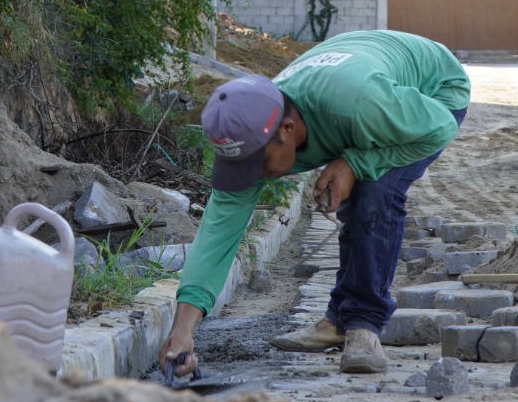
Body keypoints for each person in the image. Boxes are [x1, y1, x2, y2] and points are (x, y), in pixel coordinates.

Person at [158, 29, 470, 376]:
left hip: (432, 91)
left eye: (257, 164)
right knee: (359, 185)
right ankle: (338, 321)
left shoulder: (361, 105)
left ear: (288, 129)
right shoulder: (254, 130)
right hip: (354, 79)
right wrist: (182, 330)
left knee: (376, 191)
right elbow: (217, 235)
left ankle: (364, 326)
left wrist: (355, 163)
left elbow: (440, 127)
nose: (254, 175)